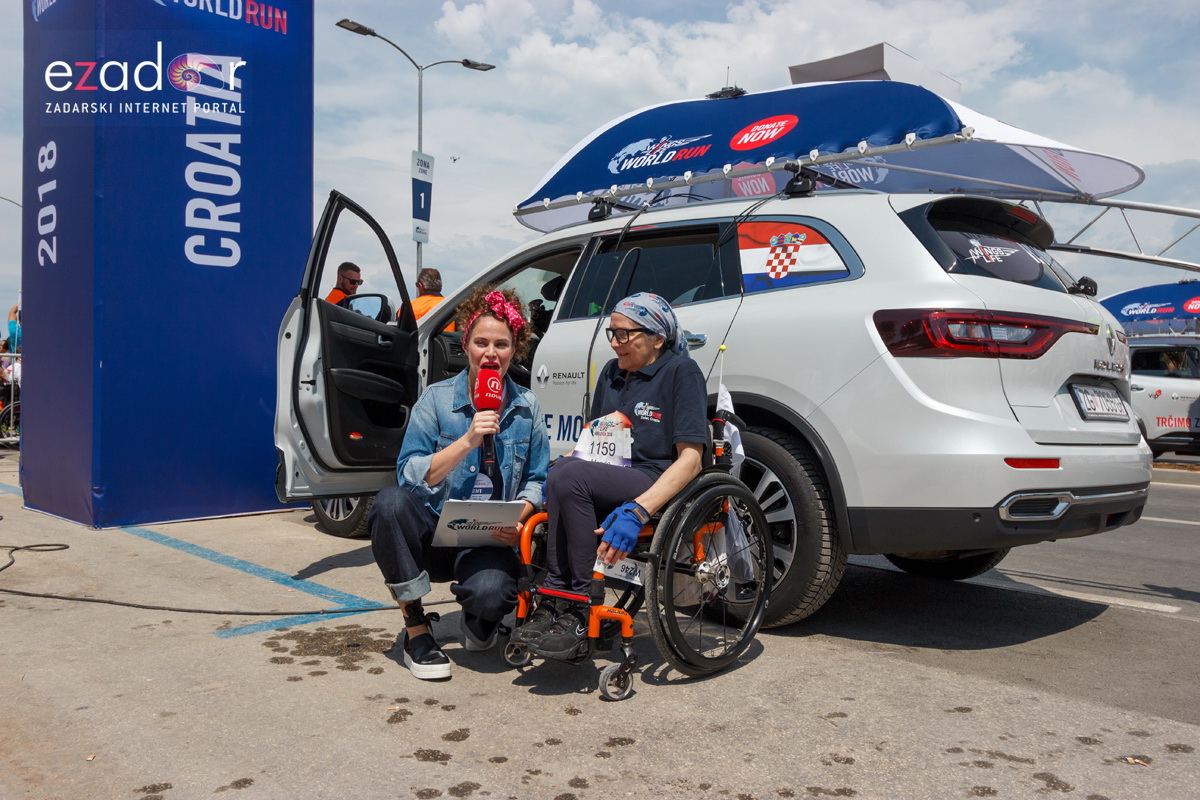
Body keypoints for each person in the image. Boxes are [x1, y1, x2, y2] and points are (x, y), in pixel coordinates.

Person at [367, 285, 549, 680]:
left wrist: (520, 515)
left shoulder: (526, 407)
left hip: (486, 537)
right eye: (481, 342)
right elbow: (409, 474)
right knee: (389, 504)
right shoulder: (435, 399)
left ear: (513, 350)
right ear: (465, 345)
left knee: (490, 595)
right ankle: (416, 628)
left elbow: (537, 479)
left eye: (501, 344)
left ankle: (478, 614)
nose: (490, 353)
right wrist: (467, 440)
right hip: (433, 532)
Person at [514, 292, 707, 659]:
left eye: (624, 334)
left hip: (652, 473)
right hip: (609, 470)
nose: (615, 343)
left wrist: (639, 509)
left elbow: (691, 460)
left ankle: (578, 600)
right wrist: (563, 464)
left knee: (571, 478)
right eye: (612, 334)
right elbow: (594, 439)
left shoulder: (681, 372)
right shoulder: (611, 372)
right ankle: (555, 602)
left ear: (656, 338)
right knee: (562, 472)